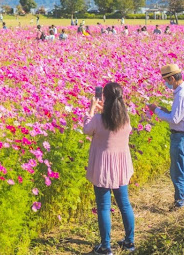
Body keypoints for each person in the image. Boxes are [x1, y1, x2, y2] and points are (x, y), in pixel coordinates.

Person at [83, 82, 135, 254]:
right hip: (121, 166)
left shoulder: (98, 119)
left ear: (103, 97)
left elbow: (86, 130)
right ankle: (129, 242)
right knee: (124, 204)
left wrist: (91, 109)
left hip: (103, 167)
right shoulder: (125, 118)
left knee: (104, 206)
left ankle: (106, 247)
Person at [147, 63, 184, 209]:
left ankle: (180, 203)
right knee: (183, 169)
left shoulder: (182, 94)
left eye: (166, 81)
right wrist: (165, 111)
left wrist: (156, 110)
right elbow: (176, 115)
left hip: (182, 137)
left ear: (171, 78)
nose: (166, 84)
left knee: (177, 172)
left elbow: (174, 119)